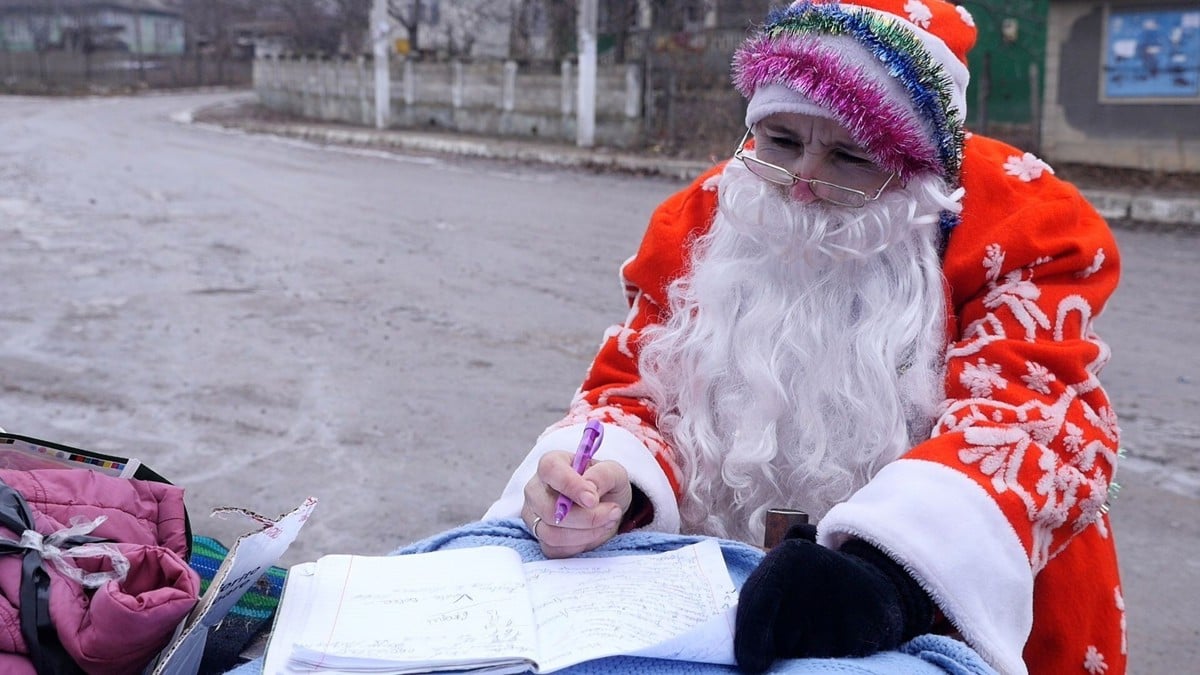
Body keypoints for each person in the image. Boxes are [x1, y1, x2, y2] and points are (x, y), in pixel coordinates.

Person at [483, 1, 1126, 674]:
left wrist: (887, 571)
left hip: (952, 609)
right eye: (782, 140)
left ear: (916, 170)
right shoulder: (712, 210)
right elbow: (633, 388)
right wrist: (611, 480)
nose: (803, 186)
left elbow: (1031, 418)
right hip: (720, 605)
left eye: (849, 155)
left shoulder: (1021, 224)